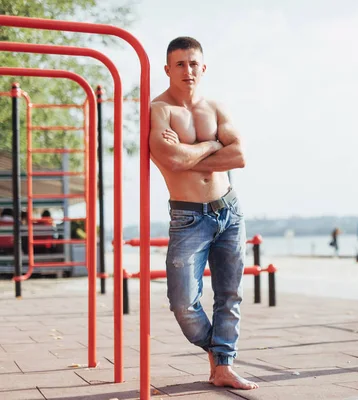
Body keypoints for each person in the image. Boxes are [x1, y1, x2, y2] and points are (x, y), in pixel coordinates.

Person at [149, 36, 256, 390]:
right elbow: (172, 161)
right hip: (188, 217)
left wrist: (193, 149)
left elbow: (238, 156)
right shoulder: (160, 110)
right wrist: (213, 145)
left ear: (203, 67)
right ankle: (218, 352)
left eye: (193, 63)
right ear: (167, 69)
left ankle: (222, 367)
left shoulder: (216, 108)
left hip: (228, 210)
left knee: (230, 293)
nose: (188, 70)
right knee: (182, 302)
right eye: (180, 64)